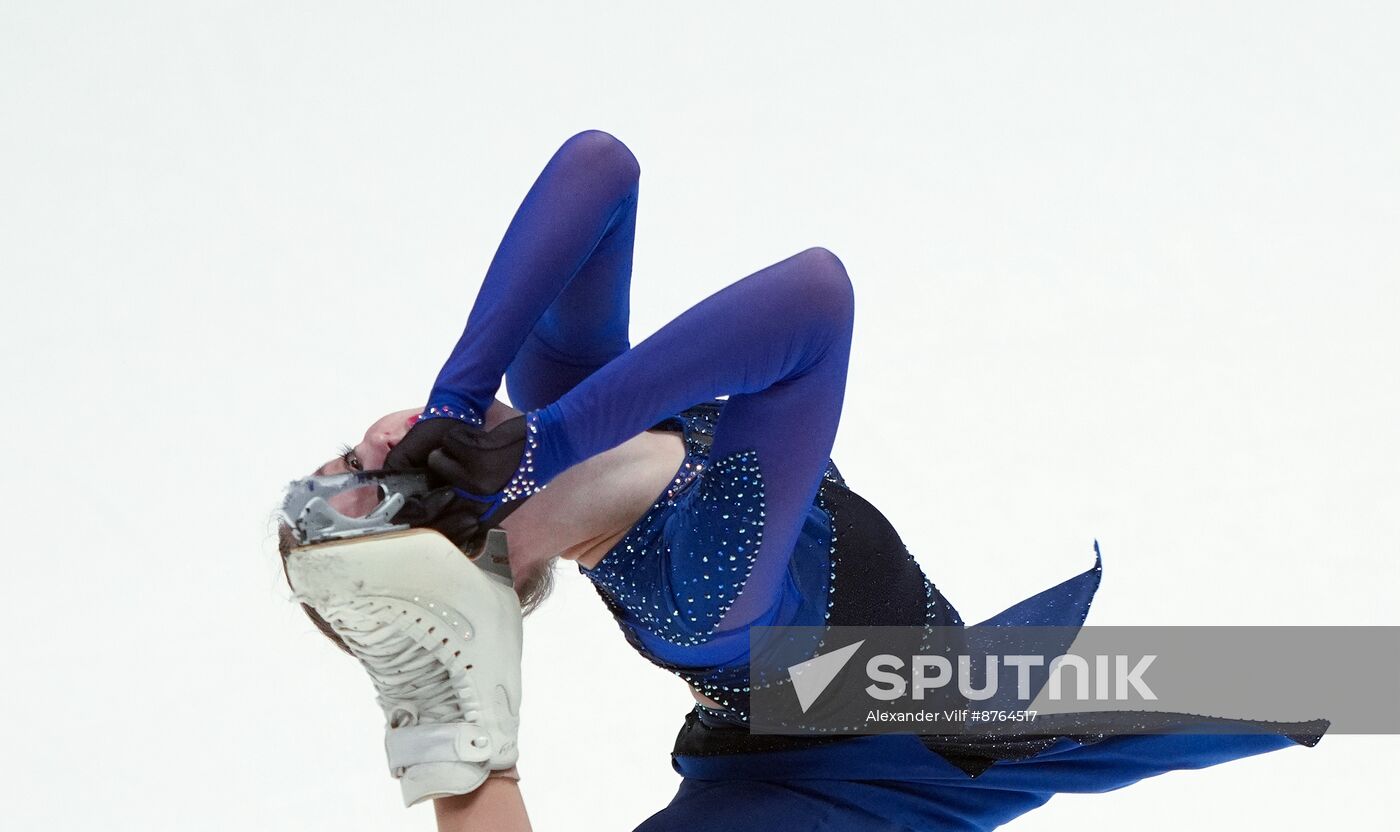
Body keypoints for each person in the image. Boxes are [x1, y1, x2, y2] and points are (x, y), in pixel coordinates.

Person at [280, 131, 1322, 831]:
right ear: (453, 545)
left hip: (924, 690)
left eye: (345, 458)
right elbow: (813, 304)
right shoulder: (692, 590)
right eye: (373, 484)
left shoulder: (577, 396)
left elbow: (599, 167)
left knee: (1323, 682)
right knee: (1307, 684)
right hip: (883, 740)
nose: (374, 444)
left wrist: (463, 400)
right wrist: (534, 450)